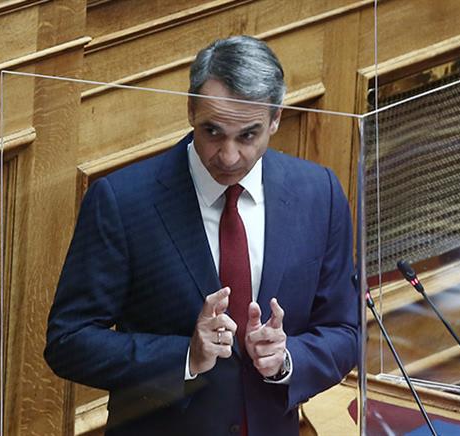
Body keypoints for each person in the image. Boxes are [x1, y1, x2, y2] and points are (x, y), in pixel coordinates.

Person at [44, 35, 359, 436]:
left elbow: (344, 332)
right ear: (191, 110)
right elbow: (68, 341)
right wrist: (185, 357)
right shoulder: (122, 202)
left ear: (276, 119)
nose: (228, 156)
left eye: (248, 135)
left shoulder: (319, 193)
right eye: (213, 132)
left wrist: (286, 359)